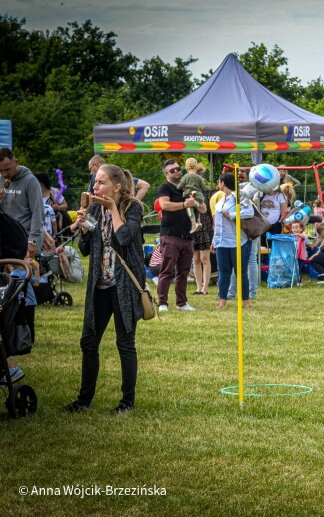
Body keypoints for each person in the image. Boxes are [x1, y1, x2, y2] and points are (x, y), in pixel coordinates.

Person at [63, 164, 144, 414]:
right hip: (99, 286)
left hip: (124, 287)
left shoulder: (133, 208)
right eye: (94, 182)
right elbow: (86, 250)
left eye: (100, 182)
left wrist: (112, 210)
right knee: (88, 342)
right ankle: (84, 400)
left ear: (116, 187)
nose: (94, 187)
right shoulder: (95, 209)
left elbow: (124, 238)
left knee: (125, 343)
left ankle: (126, 402)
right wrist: (84, 228)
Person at [0, 147, 45, 382]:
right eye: (1, 171)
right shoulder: (1, 181)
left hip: (24, 241)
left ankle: (26, 332)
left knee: (22, 289)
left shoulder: (29, 181)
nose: (5, 174)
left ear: (15, 162)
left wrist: (33, 243)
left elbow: (38, 213)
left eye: (8, 169)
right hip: (5, 243)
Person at [155, 159, 206, 312]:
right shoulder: (165, 187)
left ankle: (181, 303)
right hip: (170, 235)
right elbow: (164, 205)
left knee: (183, 272)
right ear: (166, 174)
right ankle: (162, 303)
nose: (177, 172)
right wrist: (185, 204)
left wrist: (194, 201)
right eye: (172, 170)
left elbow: (203, 209)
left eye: (178, 168)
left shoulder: (188, 186)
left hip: (188, 237)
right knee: (167, 271)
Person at [211, 173, 252, 309]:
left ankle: (246, 301)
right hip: (221, 242)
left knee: (241, 272)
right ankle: (222, 301)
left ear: (223, 183)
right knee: (223, 272)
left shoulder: (238, 197)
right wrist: (214, 240)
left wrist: (232, 215)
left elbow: (250, 212)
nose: (218, 184)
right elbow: (217, 223)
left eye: (219, 182)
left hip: (238, 241)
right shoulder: (221, 200)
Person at [191, 163, 213, 295]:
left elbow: (210, 211)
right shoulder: (190, 193)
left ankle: (205, 287)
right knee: (195, 259)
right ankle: (198, 287)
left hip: (205, 226)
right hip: (194, 226)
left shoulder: (207, 193)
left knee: (205, 258)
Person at [179, 157, 208, 234]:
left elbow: (180, 185)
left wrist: (179, 187)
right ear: (196, 167)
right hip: (199, 195)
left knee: (189, 207)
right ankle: (198, 221)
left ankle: (193, 224)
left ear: (186, 167)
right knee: (196, 208)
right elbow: (204, 187)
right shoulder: (199, 177)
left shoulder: (185, 177)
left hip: (190, 194)